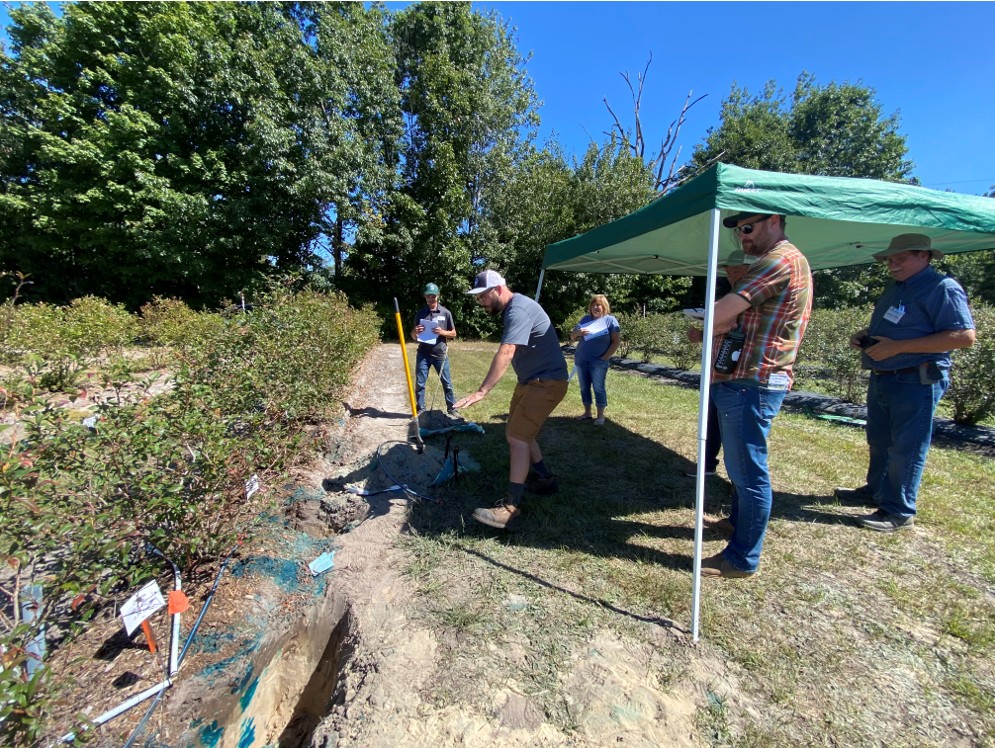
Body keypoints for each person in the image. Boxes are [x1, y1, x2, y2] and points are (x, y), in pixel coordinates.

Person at [833, 234, 974, 532]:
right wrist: (864, 335)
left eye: (900, 258)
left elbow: (964, 336)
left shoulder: (942, 287)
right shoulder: (897, 288)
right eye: (889, 260)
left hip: (916, 379)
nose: (892, 265)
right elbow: (893, 325)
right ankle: (876, 491)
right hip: (884, 377)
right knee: (880, 440)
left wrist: (897, 348)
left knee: (906, 447)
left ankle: (898, 510)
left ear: (924, 256)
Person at [699, 213, 812, 579]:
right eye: (736, 231)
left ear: (774, 221)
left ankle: (742, 559)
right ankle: (737, 524)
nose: (741, 238)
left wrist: (713, 321)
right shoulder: (783, 260)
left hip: (753, 382)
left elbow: (722, 313)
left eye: (747, 229)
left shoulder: (779, 259)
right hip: (747, 379)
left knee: (748, 472)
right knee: (741, 466)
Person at [453, 269, 569, 529]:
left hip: (547, 383)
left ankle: (510, 508)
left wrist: (482, 391)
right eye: (478, 297)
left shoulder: (518, 309)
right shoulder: (513, 309)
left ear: (498, 289)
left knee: (518, 438)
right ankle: (544, 477)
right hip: (531, 382)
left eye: (483, 296)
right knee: (517, 433)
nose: (480, 301)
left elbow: (506, 351)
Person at [685, 250, 756, 477]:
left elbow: (730, 325)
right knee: (712, 418)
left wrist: (709, 327)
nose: (731, 275)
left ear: (749, 270)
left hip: (735, 373)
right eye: (728, 271)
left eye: (736, 271)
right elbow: (720, 328)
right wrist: (701, 334)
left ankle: (738, 476)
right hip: (718, 369)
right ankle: (708, 465)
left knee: (731, 426)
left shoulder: (751, 296)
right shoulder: (731, 295)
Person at [567, 294, 620, 425]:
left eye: (599, 305)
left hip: (599, 361)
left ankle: (600, 416)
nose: (596, 307)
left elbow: (616, 342)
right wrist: (578, 333)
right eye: (594, 305)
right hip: (582, 359)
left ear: (605, 307)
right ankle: (587, 413)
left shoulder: (610, 320)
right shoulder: (585, 319)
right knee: (584, 387)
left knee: (598, 387)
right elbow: (572, 337)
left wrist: (605, 357)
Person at [411, 282, 459, 417]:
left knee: (447, 383)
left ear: (438, 295)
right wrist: (415, 331)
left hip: (440, 354)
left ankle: (452, 408)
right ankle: (420, 409)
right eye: (428, 296)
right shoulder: (420, 313)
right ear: (425, 297)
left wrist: (442, 332)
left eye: (433, 296)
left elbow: (454, 333)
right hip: (423, 354)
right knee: (420, 383)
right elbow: (413, 336)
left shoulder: (446, 313)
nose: (430, 299)